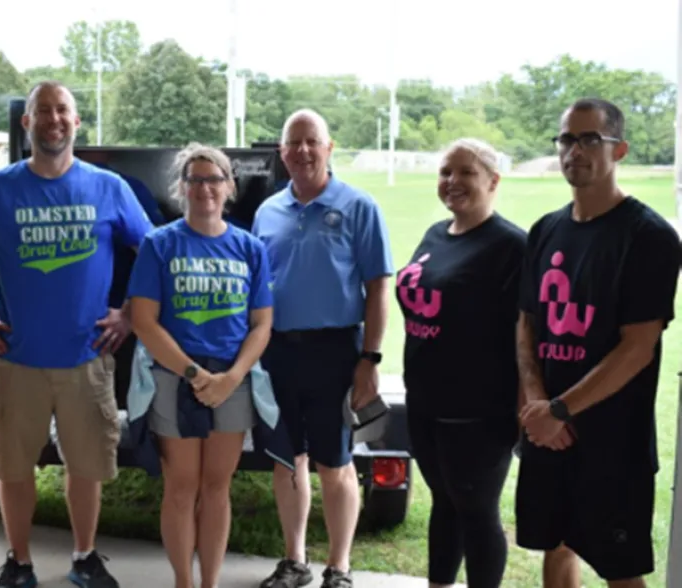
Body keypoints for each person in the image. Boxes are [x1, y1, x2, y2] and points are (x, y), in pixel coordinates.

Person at [0, 80, 154, 588]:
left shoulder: (108, 187)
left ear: (76, 122)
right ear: (26, 123)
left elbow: (153, 253)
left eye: (63, 110)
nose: (54, 119)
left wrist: (130, 313)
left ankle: (84, 557)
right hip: (17, 358)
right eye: (43, 111)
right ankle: (20, 562)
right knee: (12, 466)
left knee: (86, 466)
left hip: (86, 357)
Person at [516, 98, 682, 588]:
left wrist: (560, 411)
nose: (576, 150)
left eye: (591, 139)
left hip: (614, 444)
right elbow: (527, 324)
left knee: (620, 571)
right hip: (548, 428)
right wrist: (535, 402)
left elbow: (638, 347)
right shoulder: (545, 230)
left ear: (620, 150)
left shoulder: (649, 236)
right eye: (567, 139)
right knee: (555, 547)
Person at [125, 143, 293, 588]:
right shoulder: (159, 244)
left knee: (218, 488)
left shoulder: (249, 248)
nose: (205, 189)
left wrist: (232, 377)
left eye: (213, 179)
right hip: (175, 374)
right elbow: (143, 320)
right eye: (195, 180)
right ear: (182, 188)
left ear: (229, 186)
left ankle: (209, 582)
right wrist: (195, 375)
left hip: (232, 378)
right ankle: (184, 581)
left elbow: (262, 323)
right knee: (181, 486)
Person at [251, 109, 394, 588]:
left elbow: (378, 288)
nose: (303, 151)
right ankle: (295, 562)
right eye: (294, 143)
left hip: (336, 351)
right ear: (282, 152)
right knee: (287, 461)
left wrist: (369, 361)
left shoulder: (358, 206)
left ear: (329, 147)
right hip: (276, 352)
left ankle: (339, 567)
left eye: (313, 141)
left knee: (336, 463)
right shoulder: (267, 212)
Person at [396, 138, 525, 588]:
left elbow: (524, 336)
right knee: (444, 503)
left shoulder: (511, 246)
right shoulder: (435, 234)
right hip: (427, 400)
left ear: (493, 180)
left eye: (466, 172)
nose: (453, 182)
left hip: (478, 409)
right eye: (445, 172)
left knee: (475, 510)